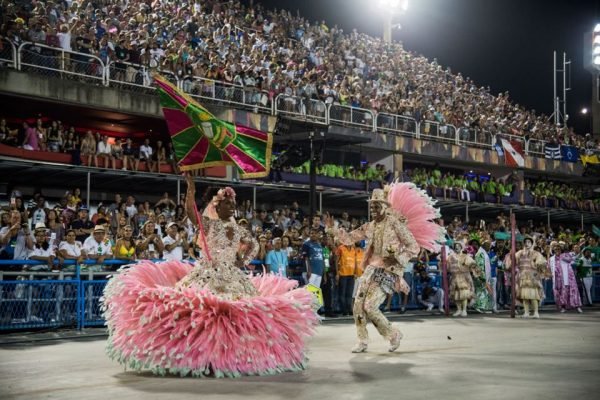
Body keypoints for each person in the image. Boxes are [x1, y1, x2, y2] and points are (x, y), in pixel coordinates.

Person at [102, 174, 318, 377]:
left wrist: (241, 261)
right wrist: (190, 190)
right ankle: (195, 356)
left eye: (234, 204)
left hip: (232, 276)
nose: (232, 207)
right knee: (198, 312)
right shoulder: (210, 225)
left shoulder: (239, 230)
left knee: (237, 315)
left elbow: (253, 245)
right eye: (228, 203)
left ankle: (230, 357)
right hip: (206, 272)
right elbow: (190, 214)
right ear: (217, 205)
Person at [326, 183, 442, 353]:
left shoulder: (394, 223)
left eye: (376, 206)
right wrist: (333, 230)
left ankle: (393, 335)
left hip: (388, 271)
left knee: (370, 307)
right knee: (357, 305)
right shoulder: (370, 226)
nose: (373, 209)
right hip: (371, 269)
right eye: (371, 206)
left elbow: (413, 247)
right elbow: (350, 238)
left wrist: (397, 257)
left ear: (384, 206)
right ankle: (362, 340)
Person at [506, 235, 548, 318]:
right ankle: (526, 312)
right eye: (525, 242)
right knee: (524, 296)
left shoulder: (536, 253)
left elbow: (542, 262)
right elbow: (513, 261)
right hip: (522, 276)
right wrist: (511, 256)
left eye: (529, 242)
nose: (527, 244)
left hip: (532, 277)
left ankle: (536, 312)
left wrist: (538, 263)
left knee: (533, 295)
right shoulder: (520, 253)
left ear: (532, 243)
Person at [550, 243, 582, 314]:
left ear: (561, 250)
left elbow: (570, 260)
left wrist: (561, 256)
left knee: (573, 291)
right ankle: (563, 307)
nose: (557, 250)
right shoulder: (552, 258)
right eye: (555, 249)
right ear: (553, 250)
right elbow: (550, 267)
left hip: (568, 277)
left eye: (558, 249)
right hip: (558, 279)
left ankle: (577, 307)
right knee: (561, 293)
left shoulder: (566, 255)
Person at [447, 241, 476, 317]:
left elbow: (472, 264)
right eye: (455, 246)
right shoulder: (451, 256)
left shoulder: (465, 256)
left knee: (464, 293)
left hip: (464, 276)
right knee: (456, 294)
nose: (457, 248)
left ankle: (464, 310)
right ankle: (458, 309)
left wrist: (471, 267)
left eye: (458, 246)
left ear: (461, 247)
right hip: (455, 276)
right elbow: (447, 266)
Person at [335, 241, 364, 316]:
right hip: (343, 274)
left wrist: (355, 272)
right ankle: (344, 310)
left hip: (351, 274)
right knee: (342, 293)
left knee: (350, 293)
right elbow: (336, 261)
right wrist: (337, 273)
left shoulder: (353, 249)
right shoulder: (341, 248)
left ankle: (349, 309)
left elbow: (354, 261)